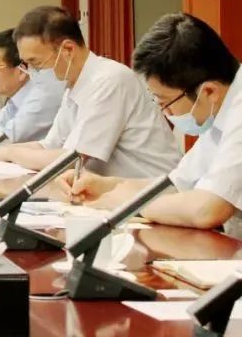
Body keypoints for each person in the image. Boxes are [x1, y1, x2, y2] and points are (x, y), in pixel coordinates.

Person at [62, 13, 242, 235]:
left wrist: (127, 202)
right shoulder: (220, 110)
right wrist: (107, 186)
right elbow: (177, 185)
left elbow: (206, 210)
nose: (165, 113)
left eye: (165, 102)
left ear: (209, 91)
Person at [0, 6, 180, 178]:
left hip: (149, 195)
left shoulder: (109, 80)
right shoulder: (73, 85)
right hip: (111, 194)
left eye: (35, 62)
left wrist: (10, 153)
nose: (31, 72)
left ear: (68, 50)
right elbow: (49, 146)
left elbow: (72, 159)